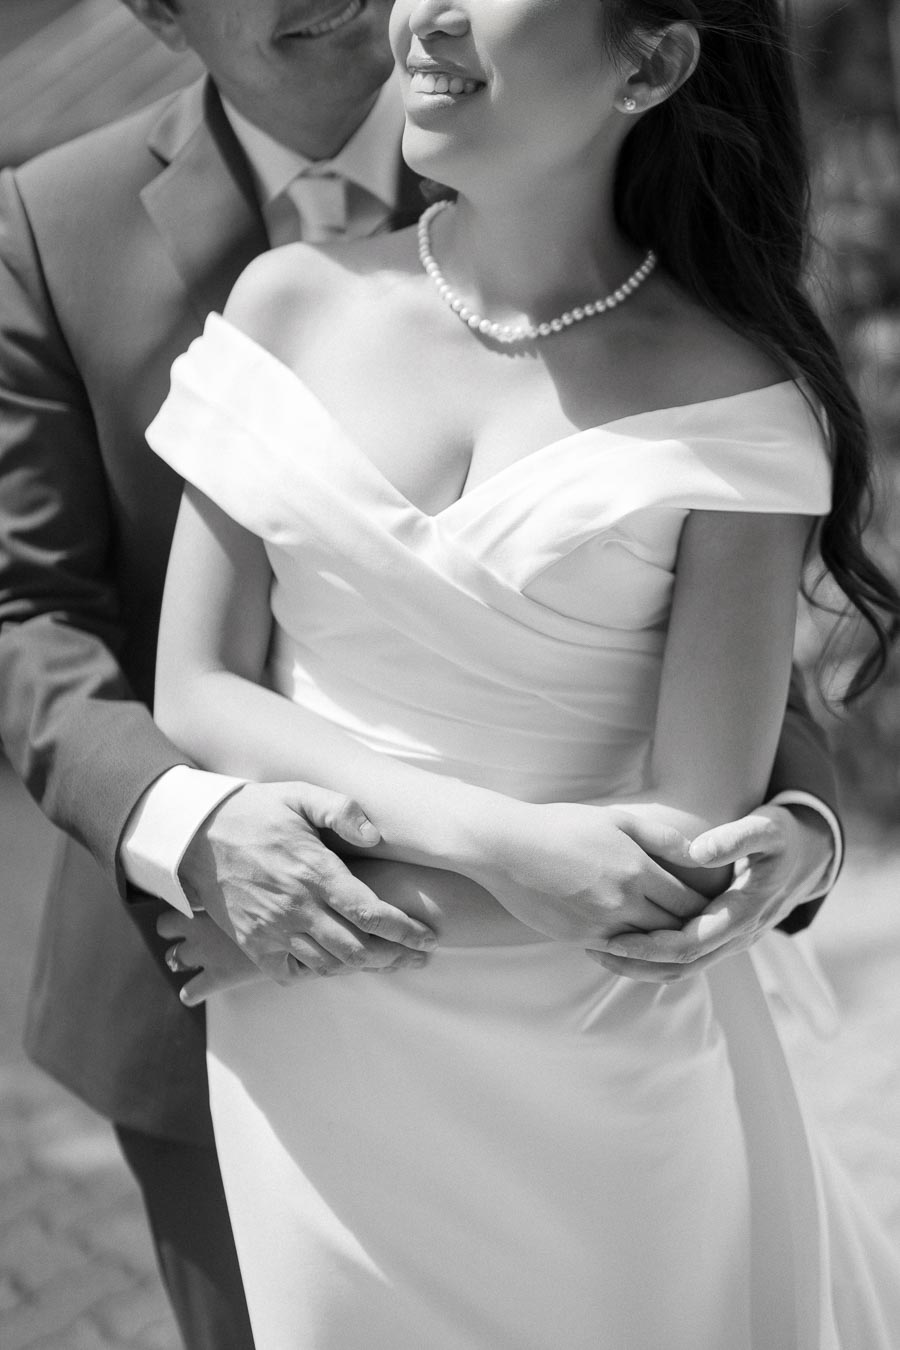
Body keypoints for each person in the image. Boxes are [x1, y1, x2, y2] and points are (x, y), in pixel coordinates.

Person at [0, 0, 845, 1342]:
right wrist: (483, 845)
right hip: (270, 1023)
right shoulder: (249, 284)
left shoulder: (727, 382)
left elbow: (688, 810)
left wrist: (796, 830)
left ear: (653, 63)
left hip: (587, 1048)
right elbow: (129, 658)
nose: (415, 6)